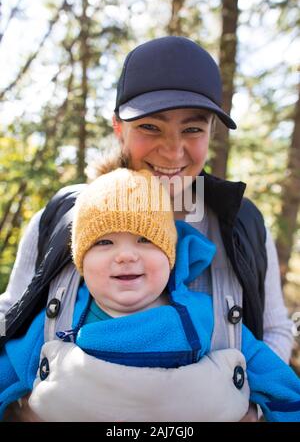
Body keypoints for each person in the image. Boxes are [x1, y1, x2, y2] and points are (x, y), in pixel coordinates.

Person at [0, 36, 294, 421]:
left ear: (211, 132)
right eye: (151, 127)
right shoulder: (63, 217)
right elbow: (11, 314)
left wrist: (250, 411)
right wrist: (19, 408)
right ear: (118, 128)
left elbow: (274, 330)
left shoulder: (239, 224)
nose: (173, 151)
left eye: (192, 129)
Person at [0, 167, 299, 422]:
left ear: (170, 257)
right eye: (104, 242)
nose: (126, 255)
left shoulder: (208, 319)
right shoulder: (56, 321)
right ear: (80, 261)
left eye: (145, 239)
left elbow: (281, 389)